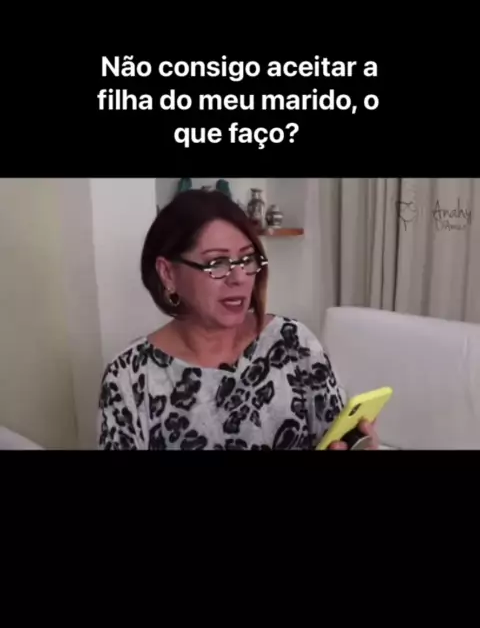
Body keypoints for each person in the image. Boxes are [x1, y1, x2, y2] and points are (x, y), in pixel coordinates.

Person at [98, 190, 378, 450]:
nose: (239, 278)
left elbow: (336, 438)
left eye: (247, 260)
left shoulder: (294, 343)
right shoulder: (129, 377)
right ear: (168, 274)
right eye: (217, 263)